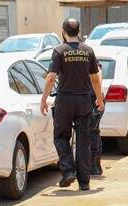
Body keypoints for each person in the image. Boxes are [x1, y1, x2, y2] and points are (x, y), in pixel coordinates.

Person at [40, 18, 104, 191]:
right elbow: (95, 78)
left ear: (63, 31)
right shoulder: (88, 51)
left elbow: (51, 77)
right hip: (84, 100)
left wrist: (44, 98)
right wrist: (99, 98)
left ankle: (68, 171)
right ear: (79, 31)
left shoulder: (59, 51)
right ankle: (84, 182)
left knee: (61, 136)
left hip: (65, 101)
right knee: (84, 140)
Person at [90, 63, 104, 176]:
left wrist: (99, 98)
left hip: (94, 100)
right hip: (94, 99)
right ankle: (96, 164)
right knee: (94, 131)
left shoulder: (95, 67)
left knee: (93, 131)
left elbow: (97, 81)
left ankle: (94, 164)